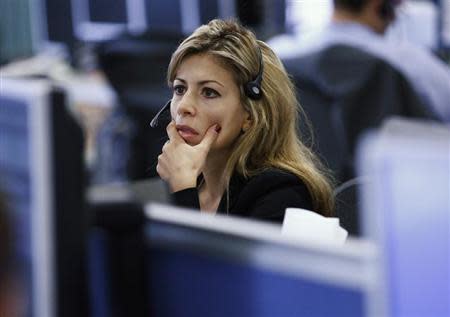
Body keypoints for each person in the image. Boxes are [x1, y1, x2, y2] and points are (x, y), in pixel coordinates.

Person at [154, 19, 334, 223]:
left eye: (209, 92)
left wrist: (183, 192)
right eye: (180, 89)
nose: (183, 106)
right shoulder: (179, 179)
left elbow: (193, 256)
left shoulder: (282, 196)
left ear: (250, 115)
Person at [271, 0, 450, 122]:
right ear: (380, 5)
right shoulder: (411, 62)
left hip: (293, 174)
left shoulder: (276, 53)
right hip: (378, 176)